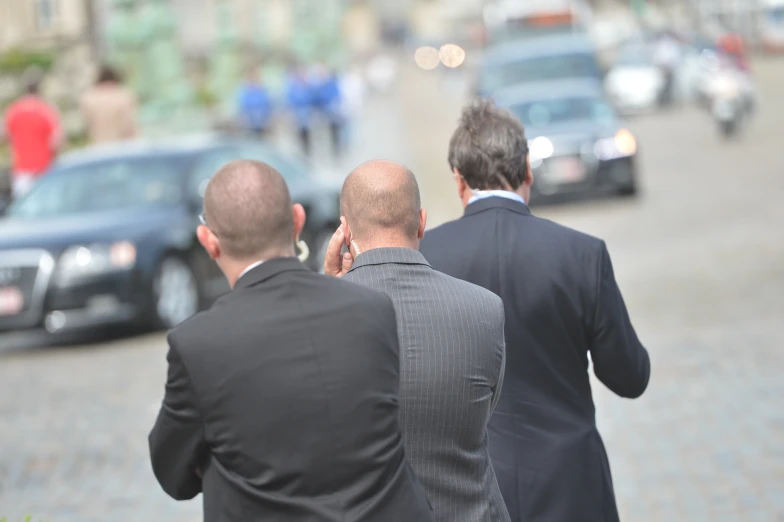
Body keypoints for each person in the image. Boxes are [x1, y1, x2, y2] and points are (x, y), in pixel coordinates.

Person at [148, 159, 435, 522]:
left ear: (209, 242)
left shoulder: (198, 342)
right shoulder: (372, 308)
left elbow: (174, 476)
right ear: (297, 220)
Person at [418, 99, 651, 522]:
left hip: (469, 490)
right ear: (527, 169)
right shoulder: (582, 254)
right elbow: (630, 377)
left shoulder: (425, 257)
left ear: (458, 179)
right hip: (571, 482)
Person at [324, 160, 510, 522]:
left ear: (344, 231)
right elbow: (483, 413)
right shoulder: (485, 309)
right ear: (421, 222)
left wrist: (327, 290)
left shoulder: (316, 320)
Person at [1, 77, 63, 199]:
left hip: (21, 168)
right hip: (44, 167)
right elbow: (57, 139)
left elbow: (3, 134)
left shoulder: (13, 109)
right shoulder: (46, 109)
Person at [80, 65, 138, 145]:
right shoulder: (124, 95)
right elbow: (128, 125)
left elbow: (87, 126)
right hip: (123, 146)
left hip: (98, 146)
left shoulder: (88, 98)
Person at [312, 64, 344, 158]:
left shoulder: (331, 84)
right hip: (321, 113)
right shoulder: (317, 85)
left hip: (332, 112)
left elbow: (336, 96)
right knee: (322, 134)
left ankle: (336, 153)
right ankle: (323, 154)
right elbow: (315, 99)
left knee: (334, 133)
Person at [236, 68, 273, 138]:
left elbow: (268, 106)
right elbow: (242, 108)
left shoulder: (263, 91)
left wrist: (267, 120)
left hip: (262, 123)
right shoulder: (244, 92)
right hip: (249, 124)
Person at [286, 67, 314, 156]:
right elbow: (291, 100)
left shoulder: (308, 87)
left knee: (307, 135)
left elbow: (312, 99)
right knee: (299, 135)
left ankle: (308, 152)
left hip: (307, 114)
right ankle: (301, 153)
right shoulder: (294, 88)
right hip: (298, 114)